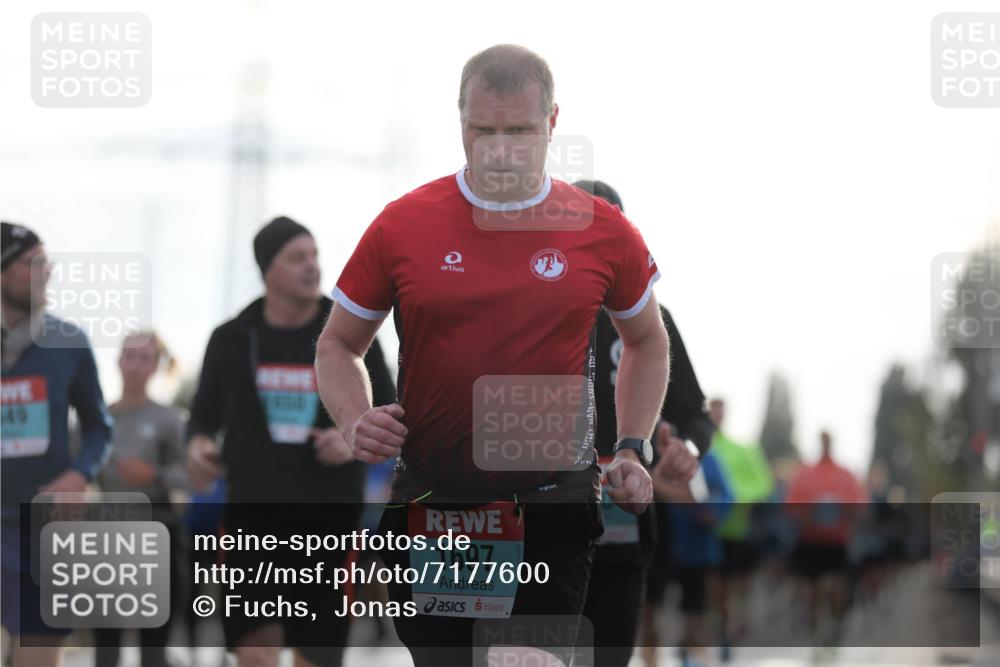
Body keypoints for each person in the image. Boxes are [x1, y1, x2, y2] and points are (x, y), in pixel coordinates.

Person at [315, 45, 698, 667]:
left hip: (554, 501)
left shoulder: (602, 230)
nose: (498, 149)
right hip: (432, 505)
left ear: (551, 122)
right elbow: (337, 344)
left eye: (517, 131)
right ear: (459, 120)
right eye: (481, 130)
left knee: (523, 661)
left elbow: (648, 341)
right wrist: (356, 417)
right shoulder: (403, 224)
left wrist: (632, 445)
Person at [185, 216, 396, 667]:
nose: (312, 266)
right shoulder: (232, 338)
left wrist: (352, 437)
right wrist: (198, 444)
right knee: (254, 651)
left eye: (315, 255)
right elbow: (202, 415)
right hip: (251, 519)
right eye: (297, 257)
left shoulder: (348, 337)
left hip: (327, 521)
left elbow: (392, 411)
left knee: (316, 655)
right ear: (268, 271)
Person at [572, 180, 716, 667]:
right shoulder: (533, 313)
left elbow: (695, 415)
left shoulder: (653, 321)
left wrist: (688, 451)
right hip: (541, 521)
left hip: (622, 526)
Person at [1, 221, 114, 667]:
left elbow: (99, 426)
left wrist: (78, 473)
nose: (46, 272)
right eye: (33, 263)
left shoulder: (68, 342)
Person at [93, 331, 187, 667]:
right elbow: (74, 471)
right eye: (129, 357)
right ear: (118, 361)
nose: (134, 366)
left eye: (144, 359)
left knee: (153, 645)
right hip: (105, 533)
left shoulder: (169, 419)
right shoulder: (97, 419)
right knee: (106, 644)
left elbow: (193, 475)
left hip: (156, 528)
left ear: (155, 367)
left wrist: (154, 475)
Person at [650, 424, 733, 667]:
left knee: (694, 614)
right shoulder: (647, 452)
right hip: (659, 546)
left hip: (696, 547)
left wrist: (713, 513)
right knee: (650, 613)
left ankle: (693, 658)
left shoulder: (708, 458)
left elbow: (722, 495)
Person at [705, 398, 774, 661]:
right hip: (706, 532)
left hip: (738, 531)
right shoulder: (698, 449)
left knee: (733, 588)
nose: (716, 416)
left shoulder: (743, 450)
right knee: (715, 588)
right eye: (712, 411)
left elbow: (764, 484)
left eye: (720, 411)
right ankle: (721, 631)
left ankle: (729, 628)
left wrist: (733, 496)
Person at [785, 431, 867, 648]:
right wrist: (808, 512)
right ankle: (814, 636)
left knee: (835, 588)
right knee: (812, 591)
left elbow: (860, 507)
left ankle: (834, 624)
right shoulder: (805, 474)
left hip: (837, 542)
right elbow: (791, 506)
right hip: (810, 541)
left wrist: (843, 509)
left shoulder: (845, 475)